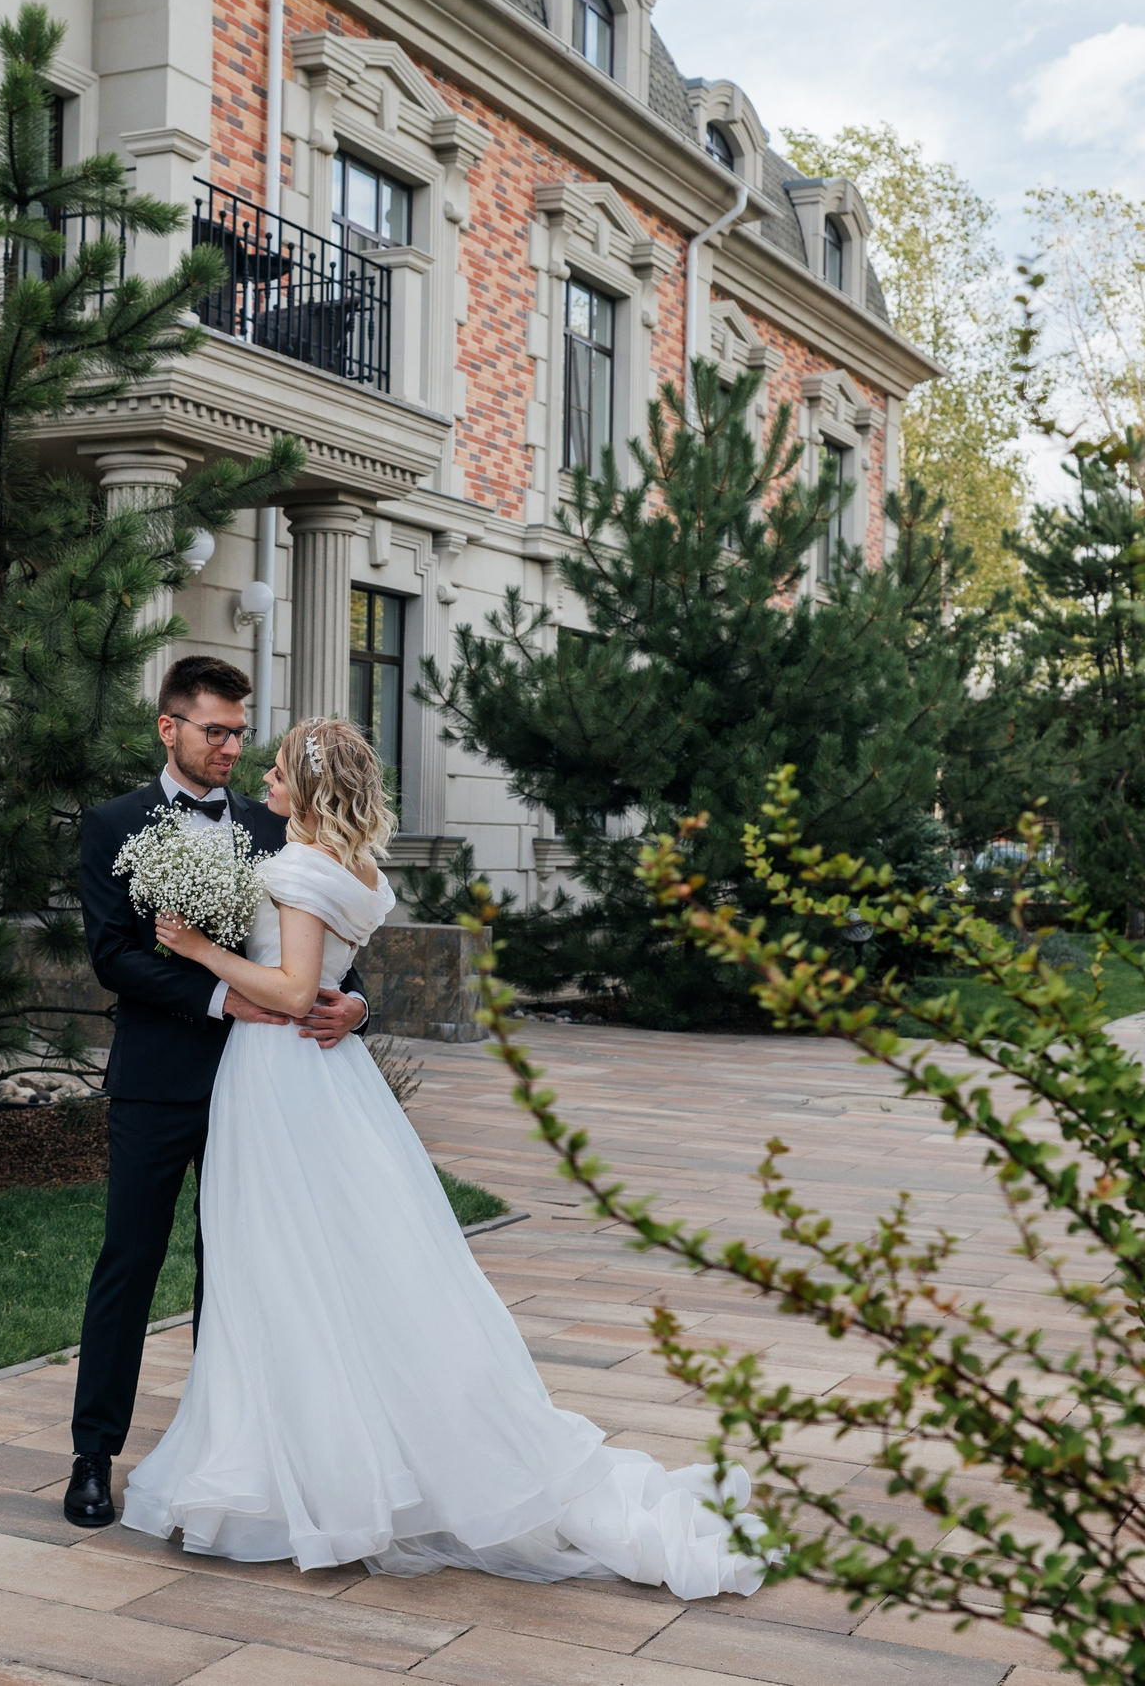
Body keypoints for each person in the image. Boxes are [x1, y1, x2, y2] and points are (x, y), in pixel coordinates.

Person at [126, 715, 770, 1599]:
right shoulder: (360, 872)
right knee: (328, 1265)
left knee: (278, 1263)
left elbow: (291, 988)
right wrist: (336, 999)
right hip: (329, 1079)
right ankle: (308, 1457)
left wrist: (198, 949)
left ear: (308, 791)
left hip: (280, 1077)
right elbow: (333, 984)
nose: (265, 782)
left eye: (276, 772)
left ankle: (304, 1476)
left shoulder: (291, 866)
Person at [65, 657, 370, 1530]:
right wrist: (214, 994)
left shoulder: (275, 824)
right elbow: (113, 955)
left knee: (238, 1270)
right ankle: (94, 1456)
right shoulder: (112, 824)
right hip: (160, 1083)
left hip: (267, 1087)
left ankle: (226, 1454)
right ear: (170, 728)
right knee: (130, 1261)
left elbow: (333, 944)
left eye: (241, 731)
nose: (234, 746)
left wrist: (358, 1005)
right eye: (217, 730)